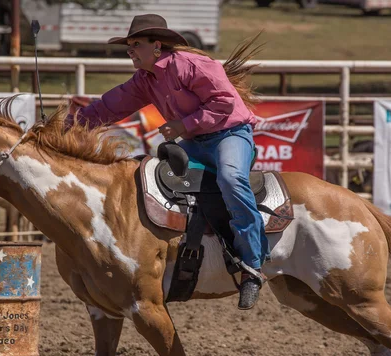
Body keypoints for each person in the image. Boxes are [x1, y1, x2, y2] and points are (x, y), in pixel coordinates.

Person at [68, 14, 269, 310]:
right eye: (129, 46)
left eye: (136, 44)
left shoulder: (192, 65)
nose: (130, 51)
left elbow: (224, 102)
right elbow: (111, 105)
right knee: (149, 175)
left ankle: (252, 266)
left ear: (157, 46)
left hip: (230, 134)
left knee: (230, 178)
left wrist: (183, 125)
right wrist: (69, 124)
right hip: (196, 142)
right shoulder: (145, 80)